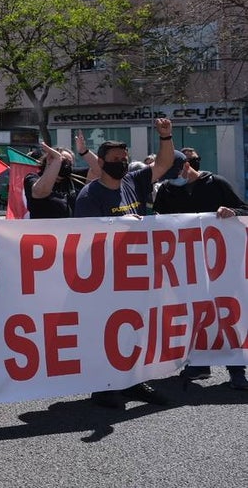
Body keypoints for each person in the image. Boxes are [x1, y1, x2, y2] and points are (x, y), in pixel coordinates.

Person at [74, 118, 178, 408]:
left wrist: (166, 136)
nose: (121, 163)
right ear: (102, 163)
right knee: (108, 332)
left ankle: (133, 381)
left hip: (136, 271)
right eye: (115, 159)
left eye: (124, 158)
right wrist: (118, 225)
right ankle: (104, 387)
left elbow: (164, 163)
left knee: (136, 327)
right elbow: (85, 237)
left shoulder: (134, 181)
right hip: (106, 275)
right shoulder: (89, 195)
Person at [152, 149, 248, 391]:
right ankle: (198, 363)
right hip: (186, 266)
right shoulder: (167, 190)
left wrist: (233, 212)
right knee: (193, 314)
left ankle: (236, 370)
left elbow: (244, 210)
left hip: (221, 265)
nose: (171, 179)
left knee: (226, 315)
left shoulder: (216, 183)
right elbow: (158, 221)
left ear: (186, 167)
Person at [24, 132, 99, 219]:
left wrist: (84, 151)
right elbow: (41, 192)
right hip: (45, 226)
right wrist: (56, 161)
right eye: (63, 161)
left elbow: (99, 171)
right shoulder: (33, 178)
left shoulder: (73, 178)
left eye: (69, 162)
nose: (66, 165)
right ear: (49, 159)